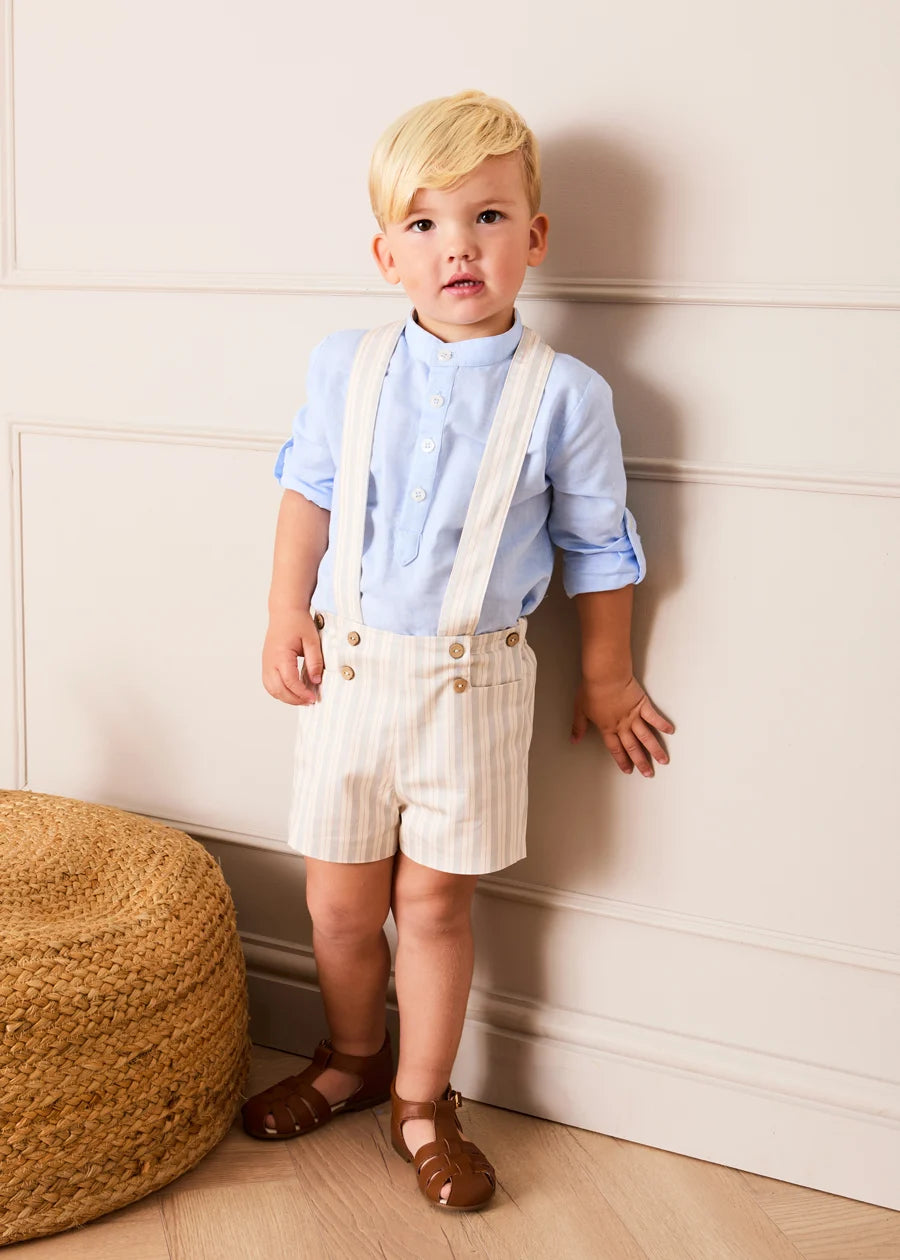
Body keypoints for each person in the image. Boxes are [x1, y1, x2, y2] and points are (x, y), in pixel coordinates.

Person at [240, 89, 674, 1211]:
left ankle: (424, 1101)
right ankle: (351, 1056)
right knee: (339, 907)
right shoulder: (346, 365)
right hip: (348, 674)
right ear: (387, 254)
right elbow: (307, 491)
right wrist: (286, 613)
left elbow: (598, 546)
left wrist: (608, 674)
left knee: (433, 907)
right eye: (425, 224)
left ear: (536, 235)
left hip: (471, 687)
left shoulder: (566, 395)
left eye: (488, 218)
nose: (459, 247)